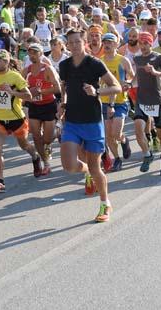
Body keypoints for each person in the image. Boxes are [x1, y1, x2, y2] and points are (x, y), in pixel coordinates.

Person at [58, 28, 120, 222]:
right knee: (68, 166)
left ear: (85, 42)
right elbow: (64, 86)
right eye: (71, 43)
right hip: (72, 121)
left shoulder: (95, 63)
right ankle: (86, 171)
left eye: (78, 41)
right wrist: (63, 103)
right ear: (66, 45)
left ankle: (105, 204)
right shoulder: (65, 65)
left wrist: (97, 91)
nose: (75, 45)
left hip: (92, 121)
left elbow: (116, 86)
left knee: (96, 167)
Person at [0, 50, 42, 193]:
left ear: (6, 62)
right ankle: (0, 181)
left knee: (24, 146)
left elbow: (28, 96)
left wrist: (12, 92)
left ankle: (35, 157)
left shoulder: (15, 76)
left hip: (17, 118)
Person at [132, 32, 161, 175]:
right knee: (138, 129)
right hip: (141, 100)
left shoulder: (158, 58)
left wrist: (156, 73)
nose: (143, 46)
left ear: (151, 44)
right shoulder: (137, 58)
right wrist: (128, 83)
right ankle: (147, 154)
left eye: (146, 43)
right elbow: (136, 76)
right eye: (141, 43)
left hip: (156, 100)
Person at [23, 42, 61, 176]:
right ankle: (46, 163)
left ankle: (57, 133)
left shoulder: (47, 69)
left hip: (48, 105)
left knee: (47, 139)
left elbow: (57, 88)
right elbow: (19, 86)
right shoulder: (26, 71)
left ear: (41, 53)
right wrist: (26, 92)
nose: (32, 55)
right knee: (36, 137)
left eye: (35, 52)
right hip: (34, 106)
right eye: (30, 53)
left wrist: (40, 91)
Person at [99, 33, 133, 171]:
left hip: (120, 101)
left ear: (115, 44)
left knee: (116, 132)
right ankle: (117, 158)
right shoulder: (99, 61)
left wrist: (128, 83)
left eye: (110, 42)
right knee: (108, 135)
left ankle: (124, 140)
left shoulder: (123, 60)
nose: (107, 45)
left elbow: (133, 77)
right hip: (104, 102)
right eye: (105, 42)